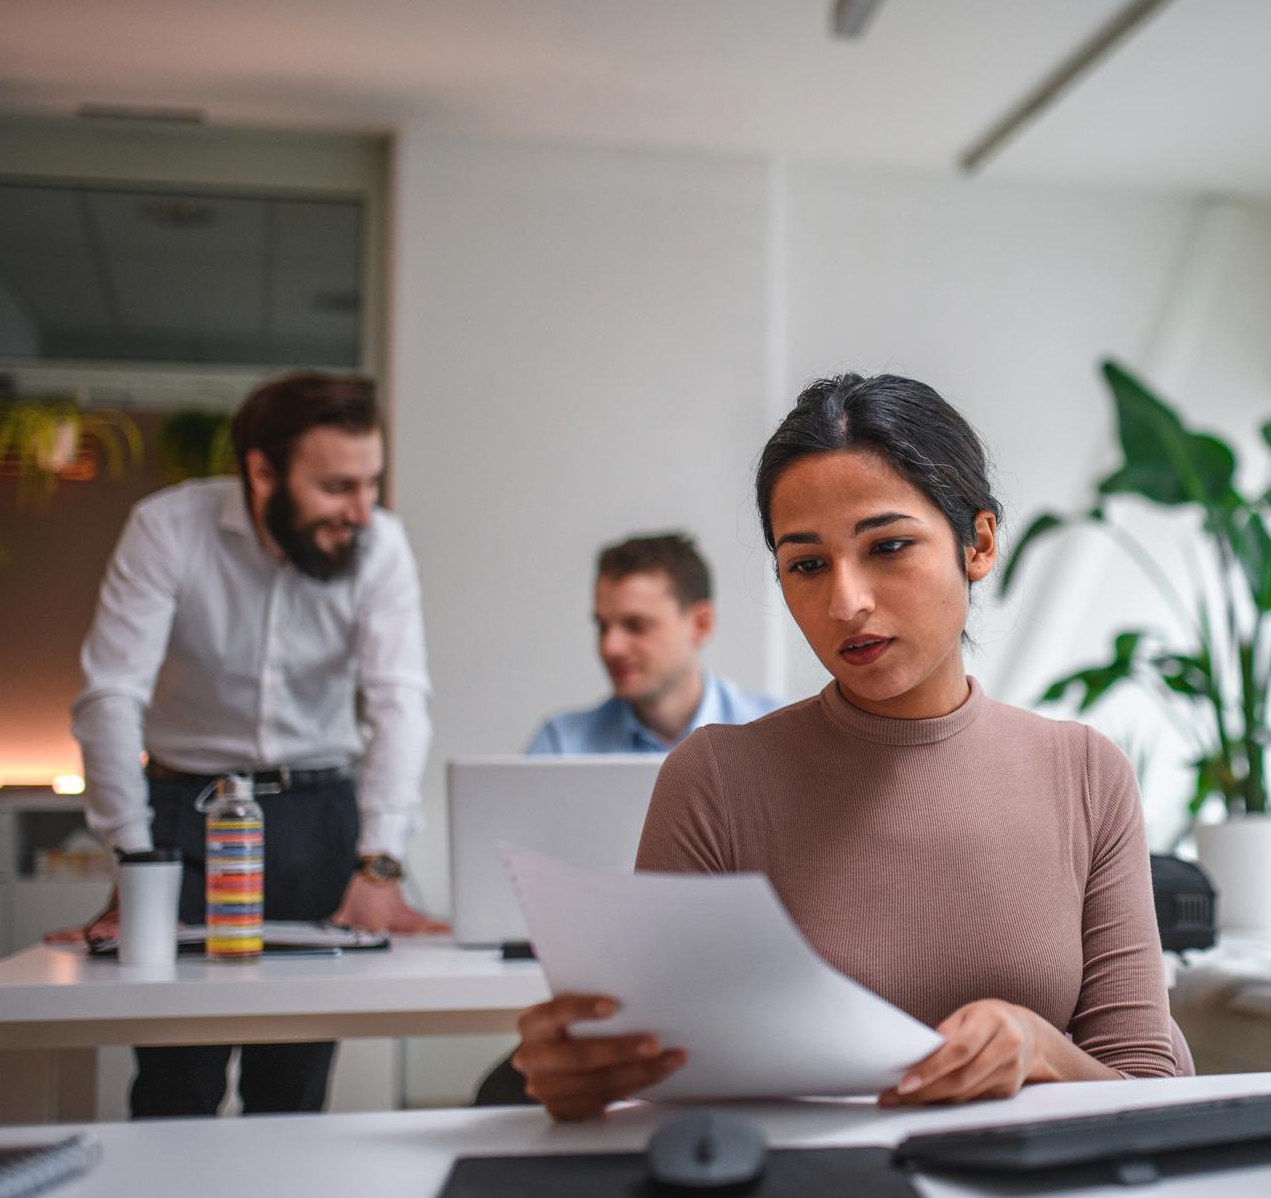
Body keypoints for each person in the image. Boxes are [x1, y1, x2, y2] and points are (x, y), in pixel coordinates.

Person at [493, 373, 1187, 1118]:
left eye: (888, 546)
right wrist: (587, 1078)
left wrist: (1041, 1049)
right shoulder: (716, 778)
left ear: (978, 543)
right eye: (807, 564)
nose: (845, 602)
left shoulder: (1084, 773)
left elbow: (1151, 1088)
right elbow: (667, 1085)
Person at [57, 372, 444, 1118]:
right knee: (176, 1082)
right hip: (183, 817)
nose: (362, 511)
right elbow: (109, 698)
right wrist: (136, 863)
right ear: (261, 471)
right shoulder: (166, 527)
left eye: (370, 483)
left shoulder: (381, 545)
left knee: (294, 1088)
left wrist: (380, 862)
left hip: (318, 821)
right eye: (337, 486)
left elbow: (401, 705)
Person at [524, 533, 779, 754]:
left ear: (701, 624)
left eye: (636, 626)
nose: (610, 647)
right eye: (603, 626)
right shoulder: (561, 747)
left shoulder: (777, 736)